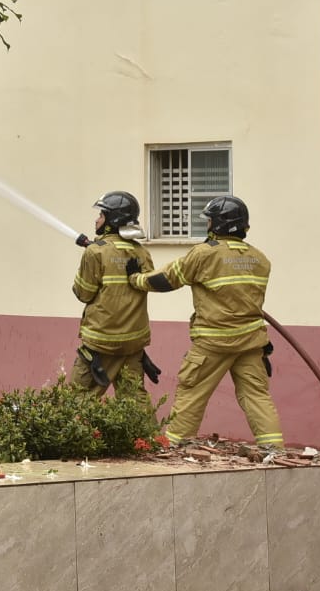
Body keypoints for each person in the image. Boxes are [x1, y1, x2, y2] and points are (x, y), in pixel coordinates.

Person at [125, 194, 282, 450]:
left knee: (191, 394)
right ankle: (275, 450)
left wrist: (136, 279)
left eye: (209, 221)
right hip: (252, 343)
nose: (206, 225)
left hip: (213, 343)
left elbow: (167, 279)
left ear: (218, 224)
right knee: (257, 397)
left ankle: (173, 447)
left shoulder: (204, 254)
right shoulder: (260, 259)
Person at [70, 191, 156, 398]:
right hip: (133, 342)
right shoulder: (141, 252)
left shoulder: (95, 252)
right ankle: (148, 432)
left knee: (77, 399)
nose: (97, 219)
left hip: (101, 341)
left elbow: (84, 293)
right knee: (134, 401)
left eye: (101, 214)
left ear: (112, 220)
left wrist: (92, 258)